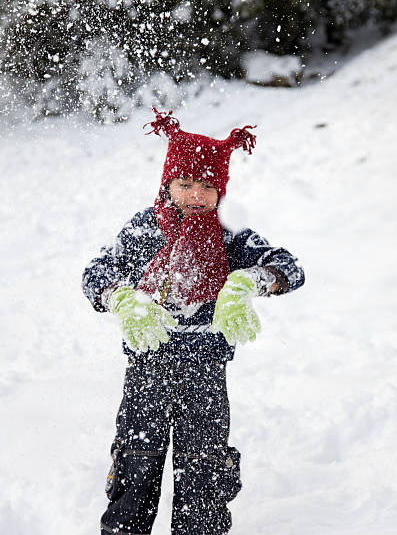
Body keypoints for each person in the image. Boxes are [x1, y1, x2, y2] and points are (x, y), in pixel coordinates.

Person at [82, 108, 305, 535]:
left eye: (207, 186)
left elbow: (289, 267)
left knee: (204, 478)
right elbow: (96, 272)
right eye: (185, 184)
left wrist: (250, 281)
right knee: (135, 468)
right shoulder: (145, 229)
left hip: (205, 374)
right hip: (148, 369)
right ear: (167, 184)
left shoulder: (229, 235)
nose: (196, 195)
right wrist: (120, 297)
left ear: (220, 192)